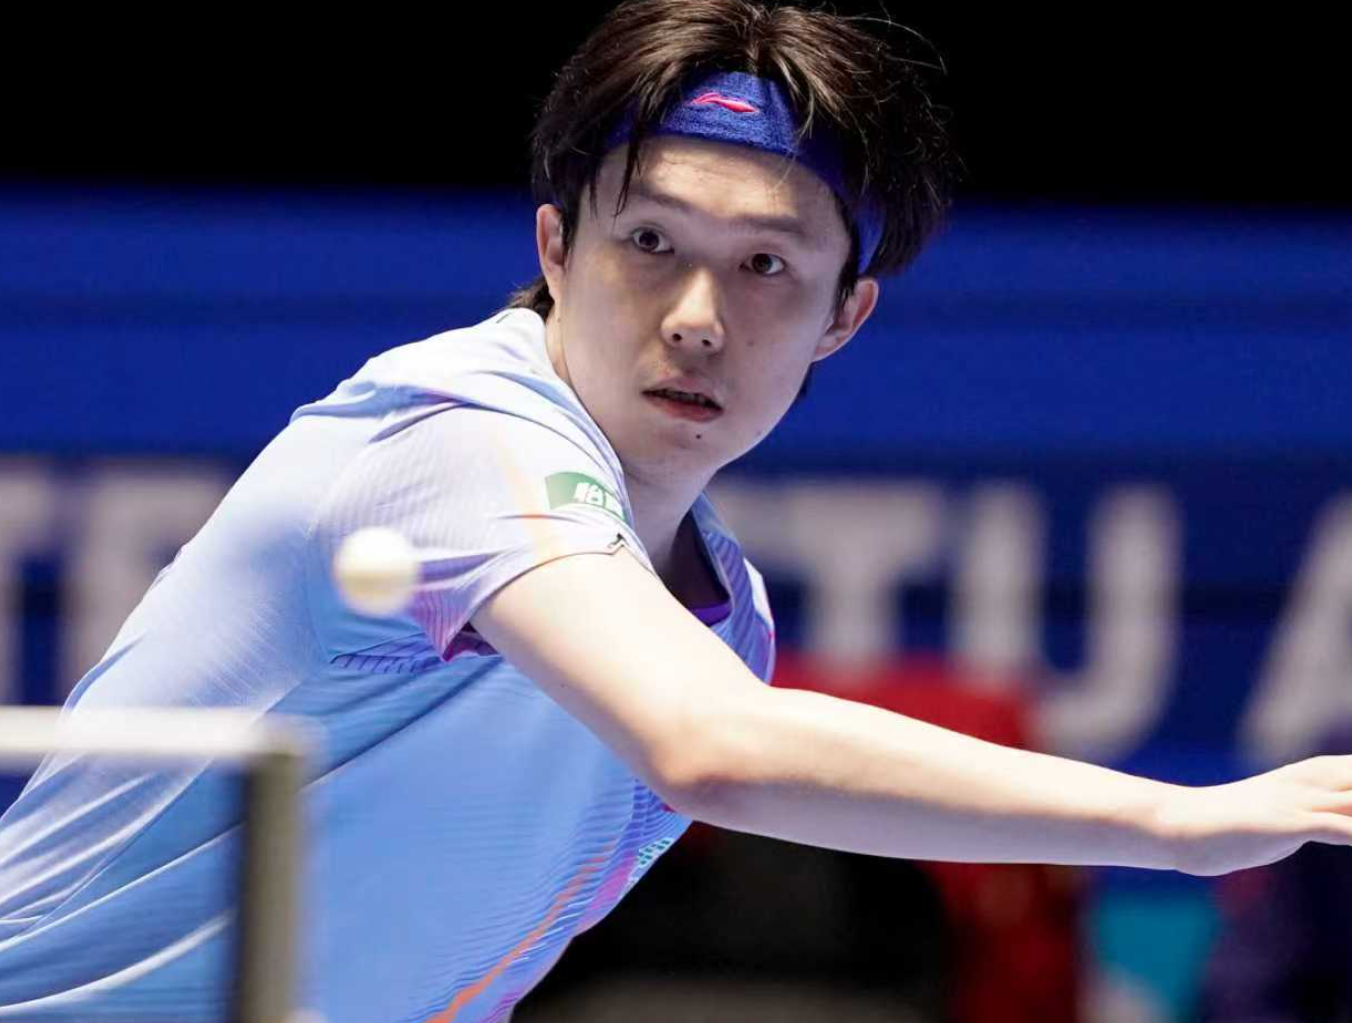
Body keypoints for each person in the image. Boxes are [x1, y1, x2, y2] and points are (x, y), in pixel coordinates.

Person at [2, 2, 1351, 1021]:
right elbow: (713, 750)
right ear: (555, 248)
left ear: (845, 315)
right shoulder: (454, 438)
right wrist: (1178, 822)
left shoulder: (721, 614)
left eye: (766, 264)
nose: (699, 317)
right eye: (650, 242)